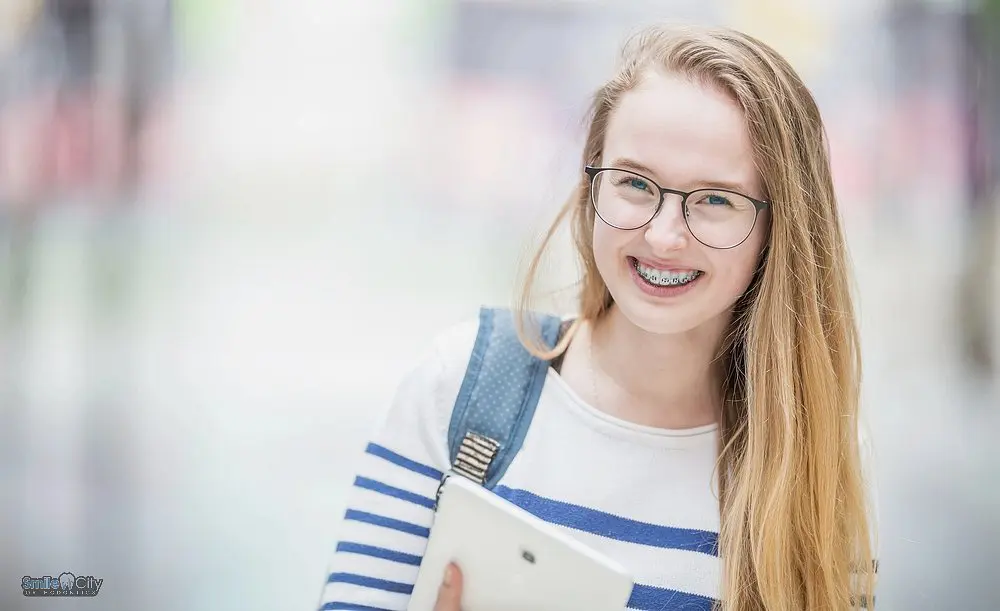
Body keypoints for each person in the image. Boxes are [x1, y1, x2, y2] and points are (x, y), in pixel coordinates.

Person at [317, 24, 879, 611]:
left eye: (716, 198)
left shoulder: (816, 454)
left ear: (778, 228)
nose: (664, 236)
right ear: (592, 187)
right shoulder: (458, 387)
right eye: (635, 183)